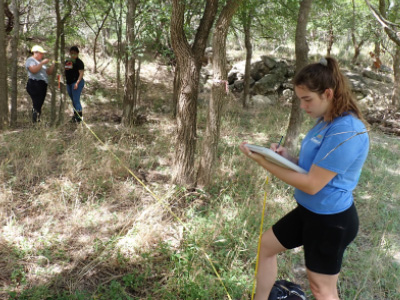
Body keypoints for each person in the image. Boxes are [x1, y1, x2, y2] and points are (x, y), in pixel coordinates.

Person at [240, 57, 369, 300]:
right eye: (300, 99)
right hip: (309, 212)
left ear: (328, 94)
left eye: (307, 99)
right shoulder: (325, 121)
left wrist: (264, 162)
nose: (302, 106)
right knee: (266, 246)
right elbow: (313, 168)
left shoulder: (347, 131)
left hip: (331, 221)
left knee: (321, 289)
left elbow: (312, 184)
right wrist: (287, 158)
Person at [25, 45, 56, 122]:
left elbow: (48, 72)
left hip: (42, 84)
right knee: (37, 103)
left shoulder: (40, 62)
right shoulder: (30, 60)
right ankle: (35, 122)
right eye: (41, 53)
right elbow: (33, 70)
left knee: (39, 103)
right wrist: (42, 63)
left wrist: (53, 65)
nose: (42, 55)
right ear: (35, 53)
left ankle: (37, 120)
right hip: (34, 83)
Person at [65, 46, 85, 122]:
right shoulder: (67, 61)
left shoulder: (79, 62)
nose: (73, 55)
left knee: (76, 100)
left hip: (77, 82)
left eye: (74, 53)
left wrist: (77, 83)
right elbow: (66, 71)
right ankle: (75, 116)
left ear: (77, 53)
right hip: (69, 83)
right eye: (71, 53)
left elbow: (81, 73)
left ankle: (79, 118)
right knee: (73, 100)